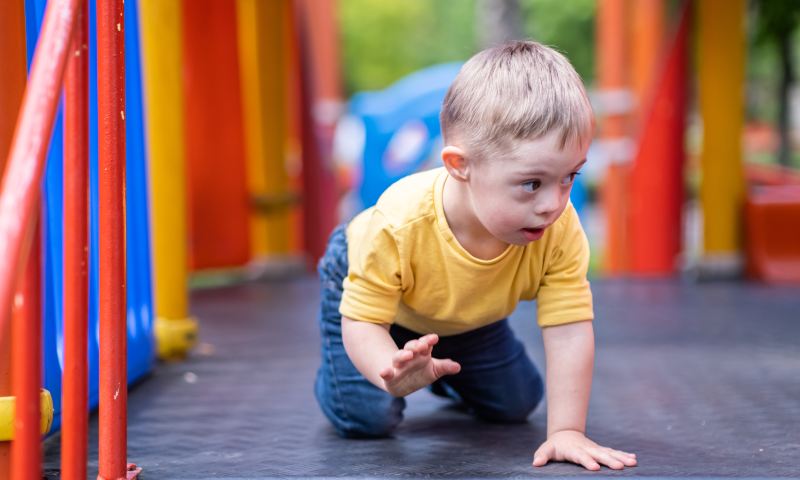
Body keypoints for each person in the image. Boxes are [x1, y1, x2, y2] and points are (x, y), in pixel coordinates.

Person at [314, 41, 636, 471]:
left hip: (462, 310)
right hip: (369, 296)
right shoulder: (398, 223)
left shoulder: (558, 228)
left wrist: (566, 432)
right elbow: (364, 320)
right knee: (369, 416)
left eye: (569, 177)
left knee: (516, 403)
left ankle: (438, 368)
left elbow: (570, 328)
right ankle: (343, 374)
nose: (552, 204)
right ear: (460, 166)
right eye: (531, 183)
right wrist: (388, 369)